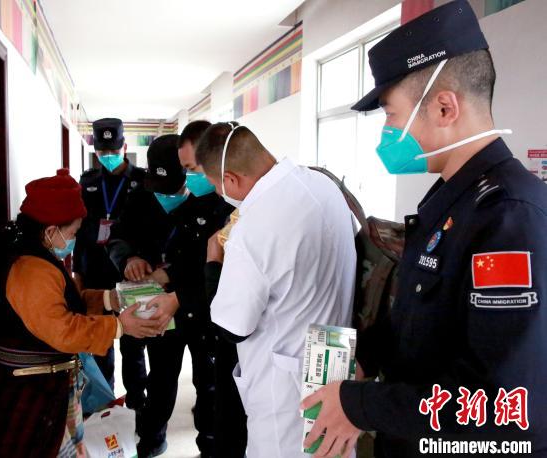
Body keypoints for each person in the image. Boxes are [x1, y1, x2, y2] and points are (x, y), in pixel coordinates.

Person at [302, 2, 547, 457]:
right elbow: (422, 319)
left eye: (391, 115)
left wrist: (360, 406)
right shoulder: (451, 201)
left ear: (444, 107)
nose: (388, 131)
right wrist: (369, 358)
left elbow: (502, 405)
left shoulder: (508, 218)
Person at [195, 123, 357, 457]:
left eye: (215, 185)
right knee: (333, 452)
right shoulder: (322, 184)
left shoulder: (252, 227)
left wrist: (213, 262)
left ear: (230, 180)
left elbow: (232, 326)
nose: (218, 193)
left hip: (286, 386)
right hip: (333, 359)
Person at [0, 169, 161, 457]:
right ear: (50, 231)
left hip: (49, 386)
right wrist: (119, 327)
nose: (74, 240)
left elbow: (64, 303)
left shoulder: (40, 257)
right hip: (33, 393)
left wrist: (110, 299)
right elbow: (62, 330)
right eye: (73, 233)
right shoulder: (31, 271)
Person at [108, 134, 232, 457]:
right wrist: (128, 259)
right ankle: (152, 440)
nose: (166, 196)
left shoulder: (215, 201)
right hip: (159, 309)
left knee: (209, 384)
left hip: (202, 308)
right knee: (160, 379)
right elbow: (118, 236)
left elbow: (217, 261)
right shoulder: (141, 197)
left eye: (173, 189)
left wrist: (173, 276)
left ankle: (209, 447)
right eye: (159, 189)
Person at [179, 120, 247, 458]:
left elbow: (230, 302)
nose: (190, 178)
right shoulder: (197, 204)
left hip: (234, 335)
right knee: (211, 403)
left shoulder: (243, 211)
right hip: (207, 326)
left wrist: (212, 262)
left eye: (193, 169)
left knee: (229, 416)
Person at [72, 118, 149, 406]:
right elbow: (79, 233)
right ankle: (104, 403)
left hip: (130, 272)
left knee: (133, 343)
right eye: (102, 152)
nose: (108, 156)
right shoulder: (88, 182)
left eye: (113, 151)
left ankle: (136, 401)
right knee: (100, 341)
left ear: (124, 147)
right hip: (95, 273)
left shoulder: (142, 181)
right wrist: (78, 272)